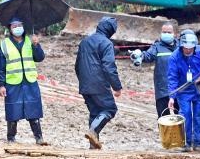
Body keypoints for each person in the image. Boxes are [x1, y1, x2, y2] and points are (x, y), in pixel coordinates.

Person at [0, 18, 47, 144]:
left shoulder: (30, 41)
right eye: (14, 26)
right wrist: (1, 85)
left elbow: (39, 58)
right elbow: (0, 67)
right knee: (13, 110)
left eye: (20, 25)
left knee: (33, 108)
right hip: (13, 83)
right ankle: (11, 138)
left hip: (29, 81)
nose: (17, 28)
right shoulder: (4, 44)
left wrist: (36, 45)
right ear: (10, 29)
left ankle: (39, 137)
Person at [75, 17, 123, 149]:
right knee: (110, 109)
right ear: (111, 31)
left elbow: (77, 65)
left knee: (95, 112)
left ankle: (93, 145)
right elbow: (109, 67)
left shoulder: (84, 41)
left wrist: (83, 81)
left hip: (84, 85)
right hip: (99, 84)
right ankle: (93, 132)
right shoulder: (107, 44)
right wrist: (117, 87)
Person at [166, 30, 200, 152]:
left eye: (191, 48)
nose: (188, 50)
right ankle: (186, 143)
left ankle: (198, 144)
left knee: (199, 116)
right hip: (183, 91)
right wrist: (172, 97)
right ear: (181, 45)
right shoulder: (174, 57)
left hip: (199, 89)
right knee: (185, 116)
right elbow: (172, 77)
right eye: (186, 48)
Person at [129, 23, 178, 117]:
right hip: (162, 89)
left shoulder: (180, 47)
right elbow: (148, 55)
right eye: (164, 32)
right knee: (163, 118)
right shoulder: (157, 47)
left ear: (174, 34)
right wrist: (139, 55)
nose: (166, 34)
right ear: (161, 33)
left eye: (169, 32)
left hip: (179, 88)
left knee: (183, 117)